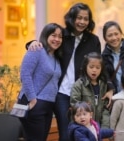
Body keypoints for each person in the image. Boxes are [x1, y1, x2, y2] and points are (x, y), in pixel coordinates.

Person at [25, 3, 113, 141]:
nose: (82, 22)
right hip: (62, 93)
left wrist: (110, 87)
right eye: (79, 18)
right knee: (66, 134)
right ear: (71, 18)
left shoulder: (93, 40)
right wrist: (32, 43)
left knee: (85, 132)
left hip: (84, 92)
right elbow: (47, 43)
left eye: (86, 19)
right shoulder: (62, 35)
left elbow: (98, 64)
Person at [18, 23, 63, 141]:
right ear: (46, 35)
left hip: (48, 105)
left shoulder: (56, 57)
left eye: (60, 36)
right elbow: (25, 74)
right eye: (54, 35)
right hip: (35, 103)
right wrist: (32, 99)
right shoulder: (36, 50)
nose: (57, 39)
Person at [70, 52, 110, 128]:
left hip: (98, 127)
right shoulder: (78, 85)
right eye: (91, 67)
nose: (94, 70)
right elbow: (75, 106)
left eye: (98, 68)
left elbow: (106, 108)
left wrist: (105, 127)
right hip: (83, 127)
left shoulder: (103, 85)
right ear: (85, 67)